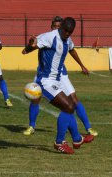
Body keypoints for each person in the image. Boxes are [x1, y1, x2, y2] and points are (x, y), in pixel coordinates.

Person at [22, 17, 94, 154]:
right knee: (68, 106)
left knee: (70, 106)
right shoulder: (49, 37)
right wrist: (30, 45)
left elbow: (72, 49)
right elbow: (28, 49)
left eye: (70, 32)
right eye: (65, 31)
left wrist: (81, 65)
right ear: (60, 28)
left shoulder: (68, 40)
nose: (67, 34)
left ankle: (77, 139)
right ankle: (59, 142)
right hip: (45, 81)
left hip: (56, 80)